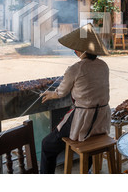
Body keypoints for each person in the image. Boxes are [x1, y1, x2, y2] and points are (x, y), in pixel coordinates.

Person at [40, 23, 111, 174]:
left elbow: (61, 92)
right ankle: (89, 169)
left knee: (47, 144)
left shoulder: (75, 69)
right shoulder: (104, 66)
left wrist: (50, 94)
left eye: (75, 50)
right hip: (103, 119)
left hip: (83, 119)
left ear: (80, 50)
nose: (75, 52)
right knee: (89, 137)